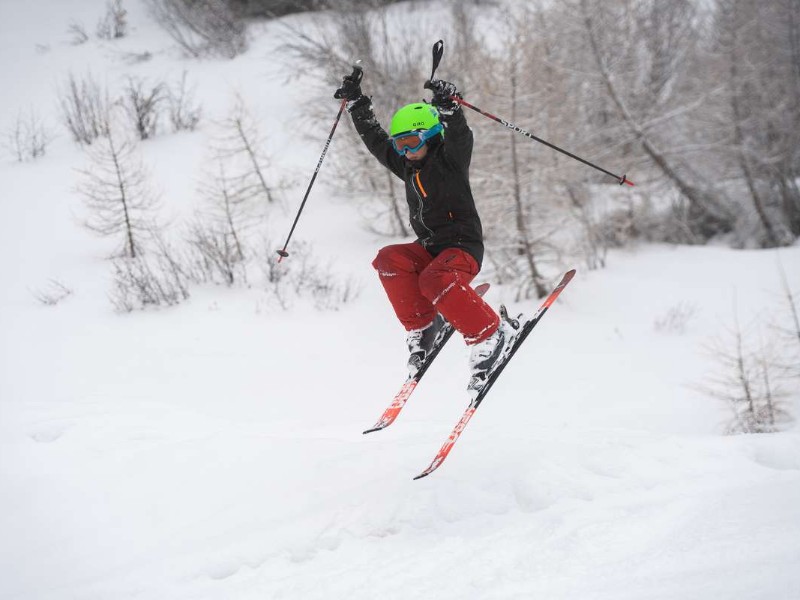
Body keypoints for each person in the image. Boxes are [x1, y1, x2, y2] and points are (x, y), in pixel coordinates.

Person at [334, 69, 513, 391]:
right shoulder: (408, 166)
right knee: (389, 259)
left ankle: (491, 333)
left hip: (462, 249)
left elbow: (460, 136)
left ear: (430, 137)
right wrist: (357, 104)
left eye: (411, 142)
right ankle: (424, 325)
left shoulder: (450, 162)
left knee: (434, 280)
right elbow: (376, 140)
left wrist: (448, 108)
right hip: (431, 249)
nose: (404, 151)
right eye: (399, 145)